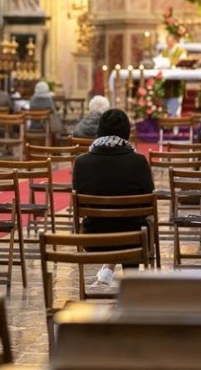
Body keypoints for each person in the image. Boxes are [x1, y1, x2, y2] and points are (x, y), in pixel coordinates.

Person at [72, 108, 154, 286]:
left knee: (122, 223)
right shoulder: (139, 162)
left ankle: (109, 271)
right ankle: (132, 281)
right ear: (127, 133)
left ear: (99, 131)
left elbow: (77, 198)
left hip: (93, 238)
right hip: (134, 240)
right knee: (137, 223)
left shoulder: (81, 162)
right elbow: (148, 201)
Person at [160, 34, 186, 117]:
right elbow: (160, 61)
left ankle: (175, 117)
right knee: (165, 102)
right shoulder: (164, 51)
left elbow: (183, 62)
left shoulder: (181, 51)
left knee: (175, 102)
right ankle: (166, 118)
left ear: (174, 41)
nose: (168, 43)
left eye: (170, 41)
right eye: (167, 41)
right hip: (166, 80)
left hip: (176, 80)